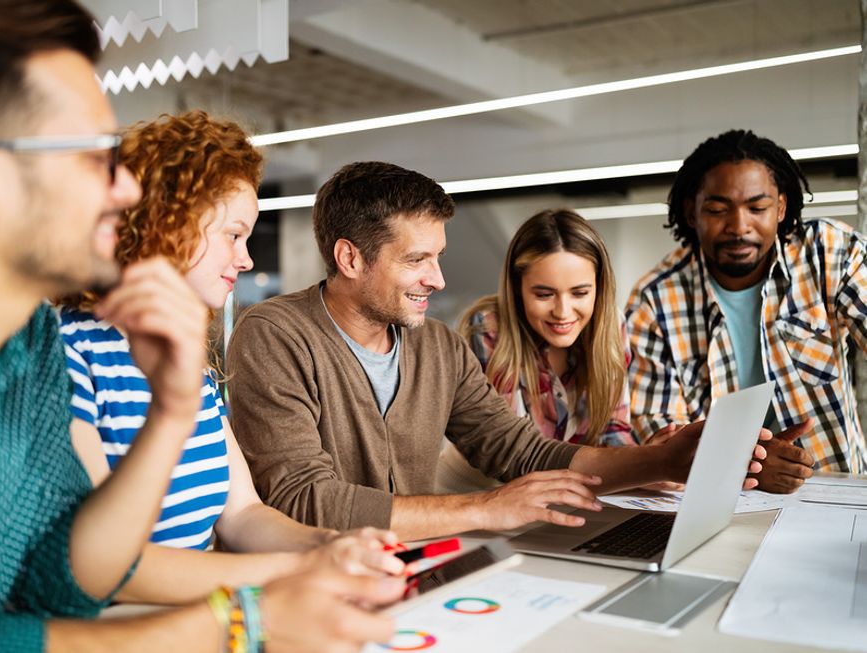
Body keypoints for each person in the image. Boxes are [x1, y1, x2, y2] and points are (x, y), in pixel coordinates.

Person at [0, 2, 400, 651]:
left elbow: (64, 578)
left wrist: (171, 411)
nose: (127, 189)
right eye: (95, 157)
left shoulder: (29, 345)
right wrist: (239, 619)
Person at [226, 161, 768, 541]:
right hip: (318, 587)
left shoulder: (436, 347)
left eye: (438, 257)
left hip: (414, 573)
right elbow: (302, 499)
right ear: (349, 258)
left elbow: (521, 452)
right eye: (417, 260)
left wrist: (662, 460)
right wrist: (486, 508)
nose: (436, 279)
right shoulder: (273, 334)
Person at [58, 109, 404, 594]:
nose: (246, 258)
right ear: (167, 223)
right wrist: (298, 571)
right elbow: (105, 566)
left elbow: (241, 514)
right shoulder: (66, 355)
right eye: (233, 234)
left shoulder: (189, 363)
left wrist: (327, 545)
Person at [626, 128, 867, 492]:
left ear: (781, 208)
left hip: (837, 491)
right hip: (721, 503)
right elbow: (662, 443)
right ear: (692, 212)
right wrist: (745, 462)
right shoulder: (654, 303)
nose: (739, 227)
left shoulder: (831, 252)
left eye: (757, 208)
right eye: (719, 210)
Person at [437, 209, 641, 494]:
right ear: (518, 289)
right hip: (475, 493)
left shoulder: (611, 324)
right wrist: (641, 466)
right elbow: (515, 455)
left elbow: (612, 431)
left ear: (599, 287)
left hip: (557, 491)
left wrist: (643, 468)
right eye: (544, 294)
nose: (563, 312)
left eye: (580, 293)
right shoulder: (488, 329)